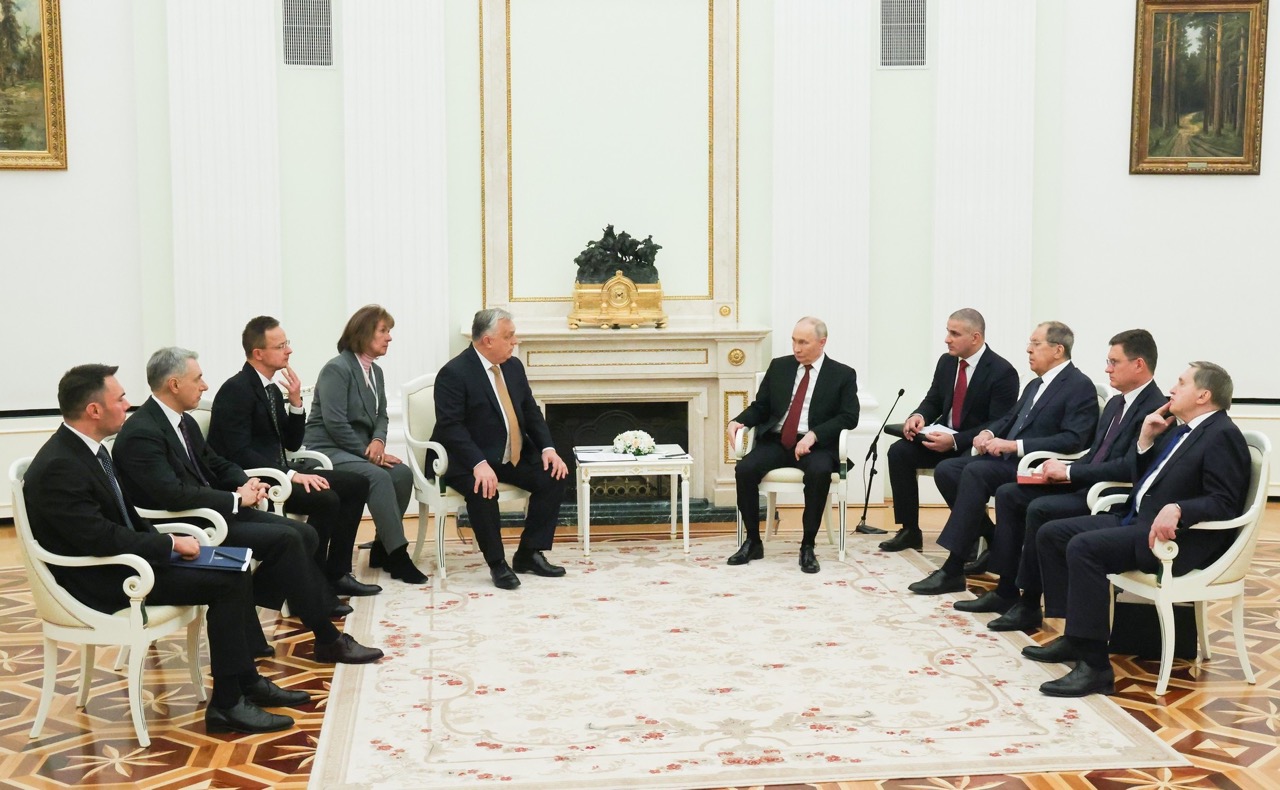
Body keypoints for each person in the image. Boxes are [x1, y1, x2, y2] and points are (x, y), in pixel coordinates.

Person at [24, 364, 313, 734]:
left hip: (125, 563)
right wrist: (169, 543)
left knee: (235, 565)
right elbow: (99, 538)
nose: (128, 405)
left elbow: (125, 517)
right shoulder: (61, 464)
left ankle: (245, 682)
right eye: (121, 398)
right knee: (226, 581)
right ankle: (227, 704)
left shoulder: (89, 450)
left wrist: (168, 545)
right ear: (94, 410)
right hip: (101, 579)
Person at [113, 347, 384, 665]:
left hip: (215, 512)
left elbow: (214, 461)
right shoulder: (142, 433)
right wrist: (234, 498)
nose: (204, 385)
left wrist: (244, 482)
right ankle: (327, 638)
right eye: (198, 378)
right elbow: (173, 496)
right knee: (289, 539)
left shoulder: (179, 421)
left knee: (305, 534)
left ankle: (246, 609)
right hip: (190, 525)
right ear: (174, 384)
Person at [1026, 362, 1250, 697]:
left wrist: (1179, 509)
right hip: (1137, 519)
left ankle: (1095, 667)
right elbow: (1145, 477)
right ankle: (1075, 636)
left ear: (1204, 395)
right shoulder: (1181, 428)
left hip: (1176, 541)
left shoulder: (1223, 435)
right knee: (1052, 532)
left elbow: (1225, 501)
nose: (1172, 389)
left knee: (1085, 548)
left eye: (1181, 383)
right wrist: (1146, 438)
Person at [969, 329, 1166, 630]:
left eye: (1114, 362)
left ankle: (1032, 604)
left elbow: (1128, 468)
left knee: (1040, 510)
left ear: (1138, 365)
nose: (1107, 369)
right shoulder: (1116, 403)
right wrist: (1059, 467)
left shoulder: (1156, 409)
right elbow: (1095, 453)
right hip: (1086, 484)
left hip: (1109, 496)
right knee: (1010, 494)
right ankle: (1006, 590)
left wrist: (1071, 472)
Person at [908, 321, 1098, 595]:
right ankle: (993, 541)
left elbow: (1074, 439)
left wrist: (1013, 446)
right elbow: (1009, 417)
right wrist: (988, 432)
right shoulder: (1036, 384)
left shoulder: (1079, 386)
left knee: (976, 472)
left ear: (1058, 350)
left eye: (1035, 344)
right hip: (1012, 461)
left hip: (1037, 466)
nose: (1028, 350)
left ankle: (953, 567)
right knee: (948, 470)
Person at [208, 316, 380, 598]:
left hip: (281, 472)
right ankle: (312, 587)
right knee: (327, 498)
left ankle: (336, 573)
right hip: (257, 481)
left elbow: (292, 441)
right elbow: (237, 453)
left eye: (287, 344)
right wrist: (290, 475)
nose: (289, 351)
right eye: (281, 346)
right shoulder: (235, 390)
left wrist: (297, 401)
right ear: (258, 353)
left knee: (357, 483)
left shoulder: (273, 390)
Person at [430, 308, 570, 590]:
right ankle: (497, 563)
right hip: (465, 459)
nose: (515, 341)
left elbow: (530, 411)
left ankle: (529, 552)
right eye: (509, 336)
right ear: (487, 340)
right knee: (484, 489)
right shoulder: (454, 373)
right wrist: (478, 463)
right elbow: (451, 426)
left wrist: (548, 449)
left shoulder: (513, 367)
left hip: (508, 455)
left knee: (554, 475)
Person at [304, 305, 429, 584]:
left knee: (402, 474)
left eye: (389, 331)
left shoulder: (376, 372)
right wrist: (370, 455)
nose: (389, 338)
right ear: (363, 333)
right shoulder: (336, 369)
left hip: (358, 449)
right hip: (325, 449)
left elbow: (382, 414)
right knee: (377, 476)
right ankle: (399, 557)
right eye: (383, 331)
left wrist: (378, 441)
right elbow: (335, 423)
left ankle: (382, 549)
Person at [726, 316, 859, 574]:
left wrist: (814, 435)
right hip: (778, 442)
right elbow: (761, 407)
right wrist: (738, 421)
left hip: (816, 446)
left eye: (803, 342)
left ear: (822, 342)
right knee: (745, 469)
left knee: (819, 472)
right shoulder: (779, 367)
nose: (796, 348)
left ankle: (807, 545)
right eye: (794, 341)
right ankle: (753, 540)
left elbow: (849, 417)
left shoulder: (842, 374)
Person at [880, 308, 1019, 552]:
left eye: (954, 333)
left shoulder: (1002, 372)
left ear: (975, 337)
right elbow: (934, 398)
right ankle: (910, 530)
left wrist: (954, 441)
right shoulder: (947, 362)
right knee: (899, 452)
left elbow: (999, 423)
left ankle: (982, 532)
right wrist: (918, 416)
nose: (947, 339)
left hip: (974, 447)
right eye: (948, 331)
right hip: (941, 437)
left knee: (949, 471)